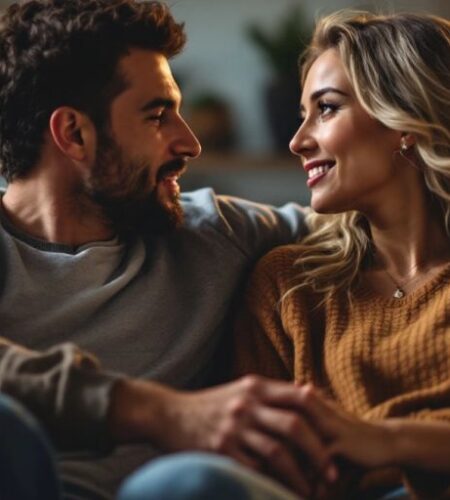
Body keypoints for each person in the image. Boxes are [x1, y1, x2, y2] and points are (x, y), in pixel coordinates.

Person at [0, 0, 335, 499]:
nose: (190, 143)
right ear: (73, 133)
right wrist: (161, 413)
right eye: (158, 116)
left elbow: (383, 227)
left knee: (187, 483)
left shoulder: (216, 234)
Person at [234, 10, 450, 500]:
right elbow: (251, 455)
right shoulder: (290, 286)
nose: (297, 141)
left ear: (404, 121)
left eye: (326, 109)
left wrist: (384, 441)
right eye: (301, 115)